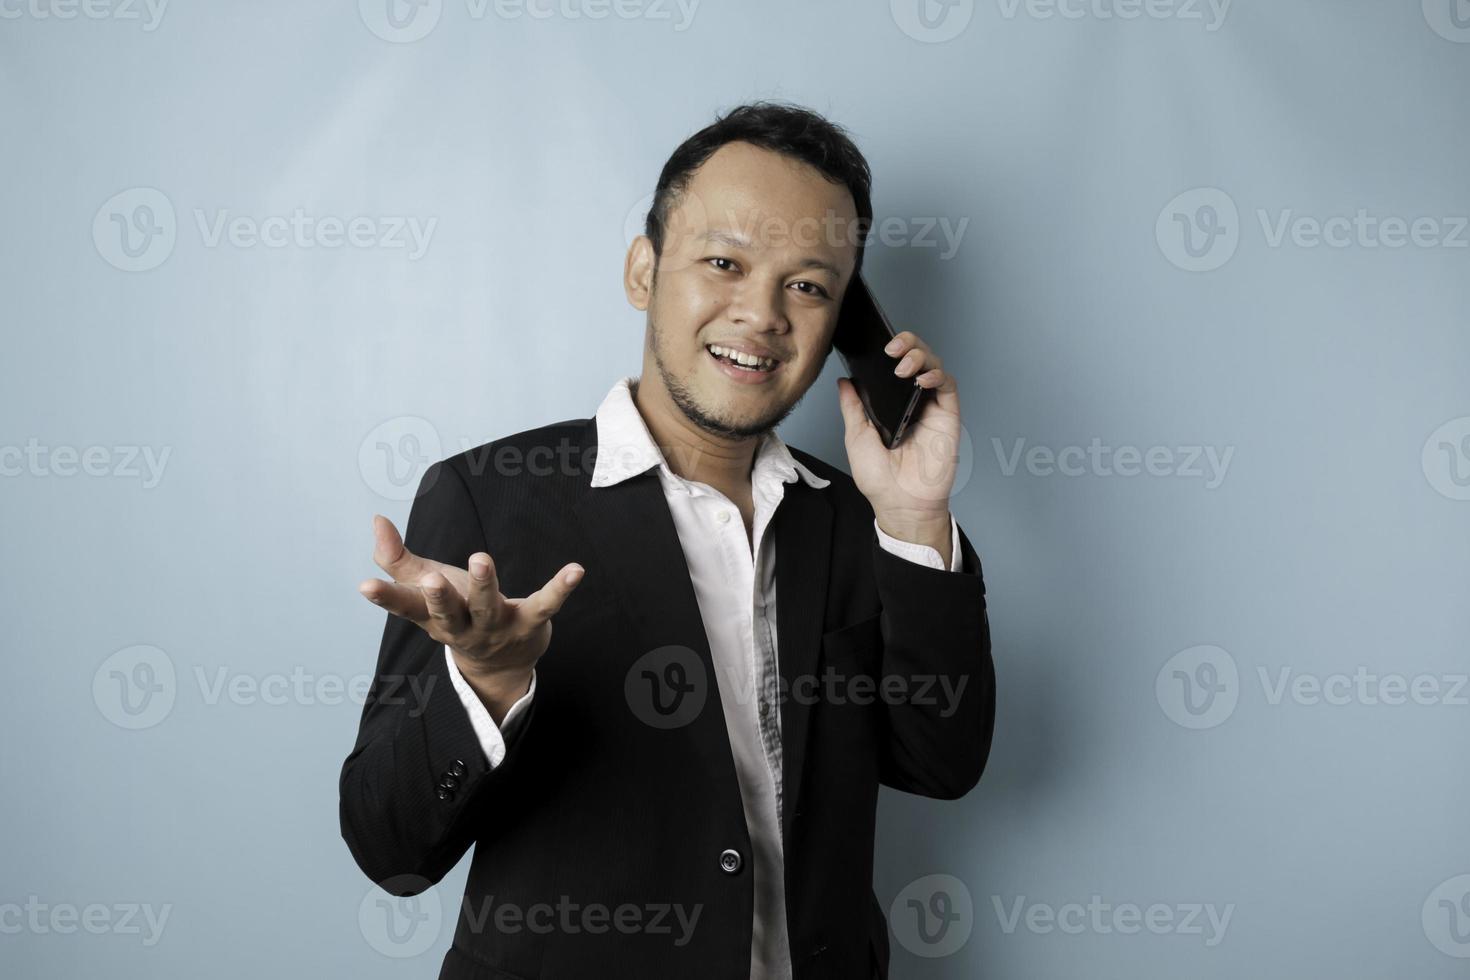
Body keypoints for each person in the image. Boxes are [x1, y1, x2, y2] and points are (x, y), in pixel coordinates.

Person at [340, 100, 995, 979]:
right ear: (643, 271)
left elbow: (940, 762)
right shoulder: (489, 500)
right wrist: (490, 681)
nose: (762, 314)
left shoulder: (855, 517)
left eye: (807, 285)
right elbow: (391, 851)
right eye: (723, 262)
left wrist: (915, 517)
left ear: (845, 323)